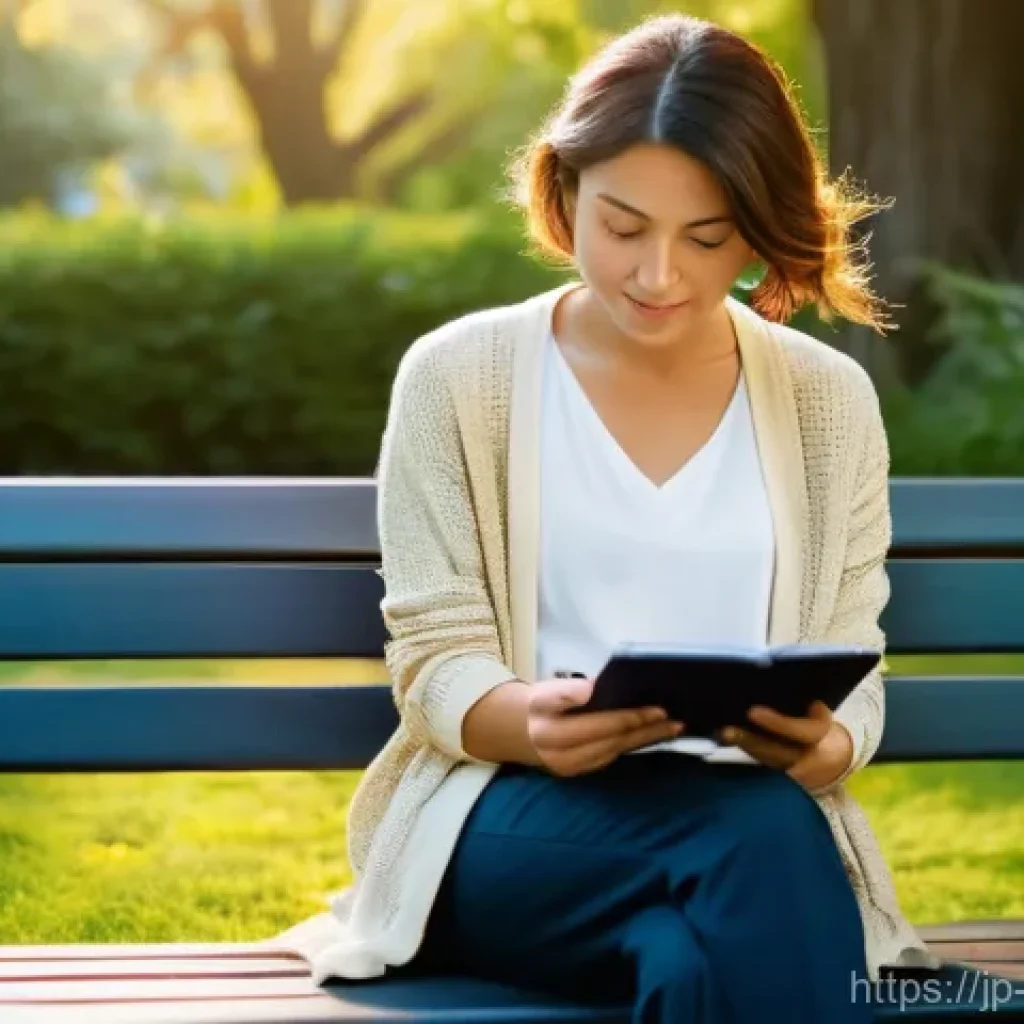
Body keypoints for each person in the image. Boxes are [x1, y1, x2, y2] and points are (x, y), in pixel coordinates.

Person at [278, 13, 943, 1022]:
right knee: (751, 837)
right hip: (509, 820)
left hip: (736, 825)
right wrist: (531, 723)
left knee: (686, 963)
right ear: (563, 192)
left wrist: (822, 746)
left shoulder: (826, 401)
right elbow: (434, 662)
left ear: (759, 228)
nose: (657, 274)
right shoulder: (458, 378)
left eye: (707, 237)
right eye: (623, 227)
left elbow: (853, 658)